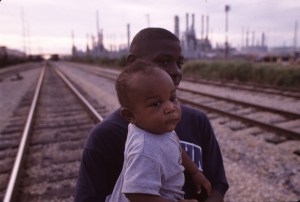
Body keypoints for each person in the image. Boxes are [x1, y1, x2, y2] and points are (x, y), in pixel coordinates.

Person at [75, 27, 229, 202]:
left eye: (179, 63)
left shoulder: (197, 121)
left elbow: (218, 184)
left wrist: (195, 172)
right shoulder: (106, 137)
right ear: (133, 63)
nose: (175, 71)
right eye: (163, 62)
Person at [106, 62, 211, 202]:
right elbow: (137, 195)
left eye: (172, 98)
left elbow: (176, 146)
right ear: (130, 116)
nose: (170, 108)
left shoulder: (157, 127)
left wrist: (195, 172)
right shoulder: (144, 149)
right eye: (156, 104)